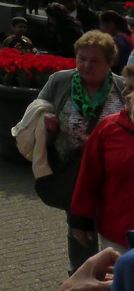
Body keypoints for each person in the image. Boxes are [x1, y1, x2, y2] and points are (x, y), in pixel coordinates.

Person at [35, 30, 125, 272]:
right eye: (81, 58)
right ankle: (79, 276)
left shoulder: (123, 88)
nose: (86, 65)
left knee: (110, 231)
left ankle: (112, 277)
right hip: (72, 174)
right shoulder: (59, 81)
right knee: (78, 230)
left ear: (110, 62)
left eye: (94, 60)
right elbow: (36, 114)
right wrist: (48, 126)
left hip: (112, 178)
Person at [69, 65, 134, 256]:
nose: (123, 93)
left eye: (131, 89)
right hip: (117, 235)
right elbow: (89, 177)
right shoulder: (109, 128)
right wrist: (80, 218)